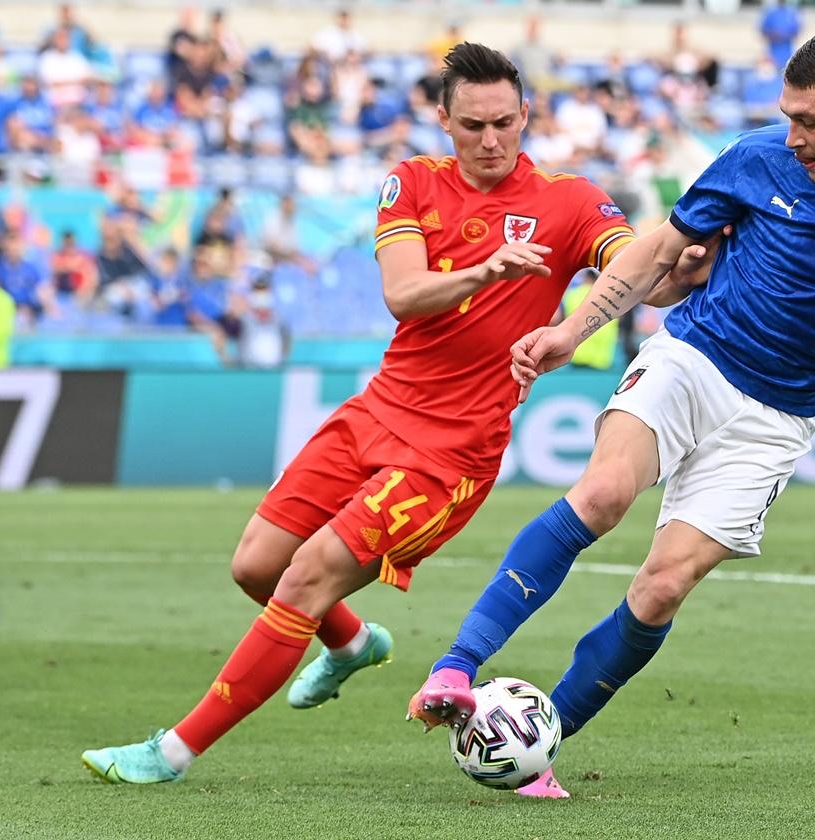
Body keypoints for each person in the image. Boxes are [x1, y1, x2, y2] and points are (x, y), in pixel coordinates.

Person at [80, 42, 712, 786]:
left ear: (526, 116)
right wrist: (484, 272)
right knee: (255, 564)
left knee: (307, 575)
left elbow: (633, 271)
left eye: (504, 123)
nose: (489, 140)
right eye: (472, 124)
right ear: (442, 119)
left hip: (448, 456)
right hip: (377, 411)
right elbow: (404, 295)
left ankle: (172, 752)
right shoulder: (411, 182)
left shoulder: (569, 201)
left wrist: (682, 272)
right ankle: (352, 647)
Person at [409, 29, 815, 798]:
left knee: (661, 588)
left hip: (777, 416)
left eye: (811, 122)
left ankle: (535, 741)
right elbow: (660, 249)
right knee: (601, 495)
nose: (793, 137)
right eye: (787, 115)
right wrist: (570, 331)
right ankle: (457, 666)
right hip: (694, 357)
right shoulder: (755, 157)